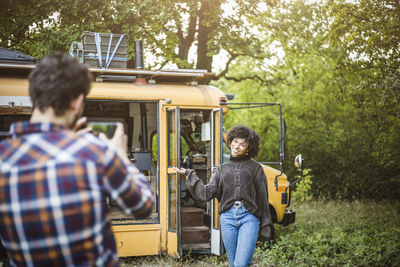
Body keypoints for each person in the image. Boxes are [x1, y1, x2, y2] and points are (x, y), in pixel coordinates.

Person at [0, 52, 154, 266]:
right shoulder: (94, 153)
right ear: (77, 101)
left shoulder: (4, 158)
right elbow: (143, 206)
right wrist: (121, 157)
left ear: (33, 98)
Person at [174, 124, 272, 267]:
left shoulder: (256, 168)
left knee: (240, 264)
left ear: (248, 148)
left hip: (249, 218)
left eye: (242, 144)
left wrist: (265, 228)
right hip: (227, 219)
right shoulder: (221, 169)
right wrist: (190, 174)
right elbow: (206, 193)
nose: (237, 146)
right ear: (230, 141)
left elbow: (263, 199)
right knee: (234, 264)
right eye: (235, 141)